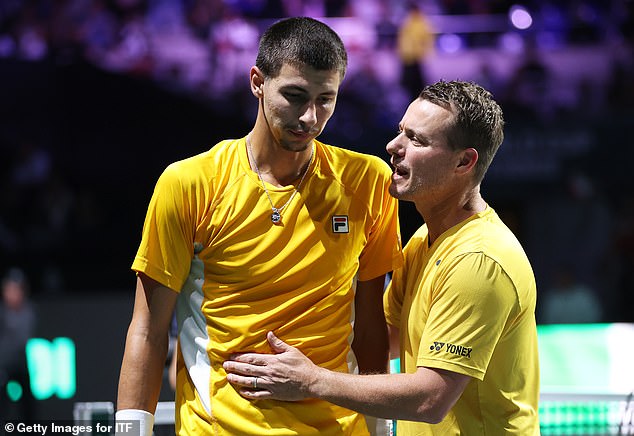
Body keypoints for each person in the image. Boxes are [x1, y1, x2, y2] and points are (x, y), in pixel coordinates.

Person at [116, 16, 403, 436]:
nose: (310, 117)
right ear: (257, 82)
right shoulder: (189, 183)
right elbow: (148, 328)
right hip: (218, 428)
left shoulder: (368, 180)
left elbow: (371, 325)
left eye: (326, 99)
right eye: (294, 95)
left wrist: (381, 429)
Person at [223, 80, 540, 435]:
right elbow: (382, 336)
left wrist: (311, 381)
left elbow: (430, 398)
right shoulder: (424, 241)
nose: (393, 146)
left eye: (416, 140)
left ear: (464, 161)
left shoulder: (479, 261)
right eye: (400, 131)